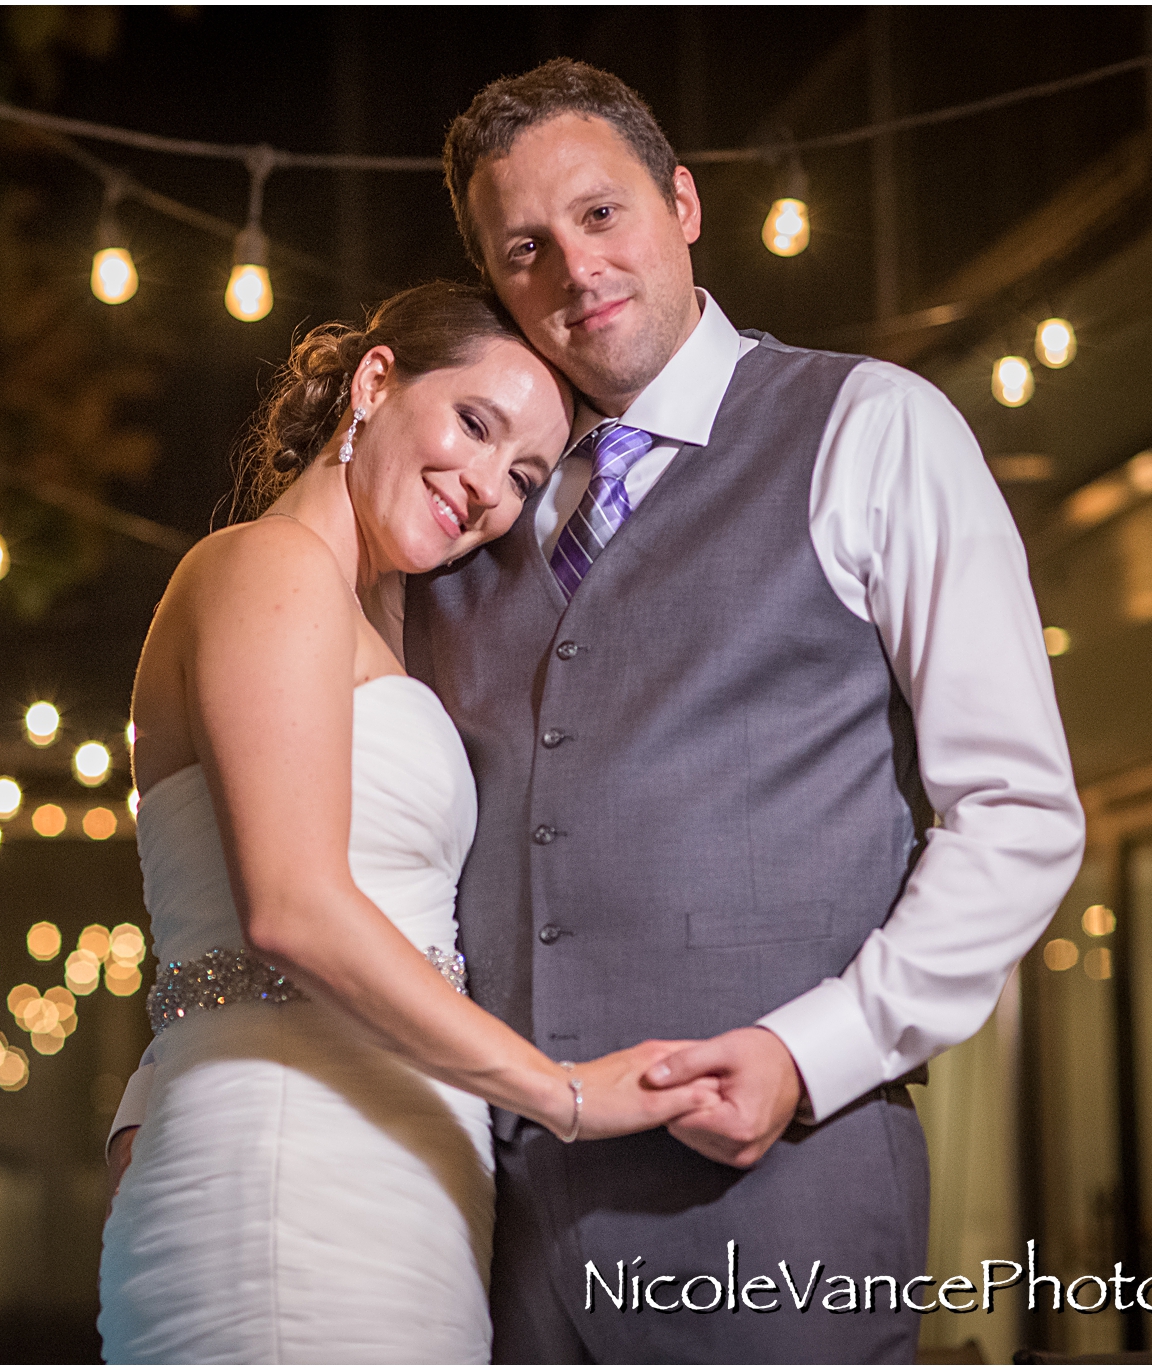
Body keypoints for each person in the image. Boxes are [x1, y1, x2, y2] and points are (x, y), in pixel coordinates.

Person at [395, 60, 1087, 1362]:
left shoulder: (872, 429)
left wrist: (815, 1049)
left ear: (684, 202)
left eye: (601, 215)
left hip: (786, 1206)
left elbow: (1018, 811)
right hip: (505, 1240)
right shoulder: (475, 509)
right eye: (525, 248)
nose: (574, 269)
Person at [96, 281, 721, 1363]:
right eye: (474, 424)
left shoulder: (374, 614)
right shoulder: (264, 564)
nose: (486, 484)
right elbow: (289, 907)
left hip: (402, 1172)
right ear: (375, 380)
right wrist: (564, 1094)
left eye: (525, 474)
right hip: (293, 1162)